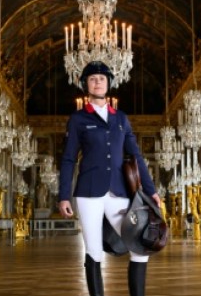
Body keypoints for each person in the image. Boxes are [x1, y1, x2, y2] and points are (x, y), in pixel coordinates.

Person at [59, 61, 161, 296]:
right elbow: (68, 159)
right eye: (93, 78)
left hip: (119, 191)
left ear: (109, 83)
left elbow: (136, 155)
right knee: (93, 251)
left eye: (102, 78)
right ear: (86, 84)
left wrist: (151, 190)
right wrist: (63, 196)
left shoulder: (121, 119)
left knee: (139, 247)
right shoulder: (78, 119)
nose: (97, 82)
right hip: (88, 193)